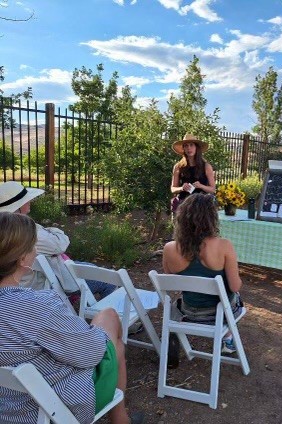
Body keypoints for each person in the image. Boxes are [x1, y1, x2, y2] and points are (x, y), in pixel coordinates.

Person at [0, 212, 143, 424]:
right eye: (33, 246)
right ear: (22, 259)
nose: (36, 250)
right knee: (109, 319)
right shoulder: (39, 305)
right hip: (48, 409)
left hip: (7, 405)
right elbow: (91, 354)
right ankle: (121, 419)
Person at [0, 181, 115, 298]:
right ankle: (112, 314)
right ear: (19, 206)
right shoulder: (24, 232)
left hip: (39, 278)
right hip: (45, 285)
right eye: (26, 199)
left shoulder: (5, 229)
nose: (30, 201)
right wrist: (52, 231)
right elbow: (60, 244)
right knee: (109, 280)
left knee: (89, 267)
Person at [162, 193, 243, 354]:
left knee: (179, 302)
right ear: (212, 218)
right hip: (218, 314)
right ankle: (227, 337)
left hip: (188, 312)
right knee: (236, 296)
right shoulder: (224, 246)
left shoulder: (170, 248)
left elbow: (170, 278)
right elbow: (234, 286)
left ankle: (172, 335)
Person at [170, 133, 216, 213]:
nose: (189, 148)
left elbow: (212, 189)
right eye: (186, 146)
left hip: (201, 207)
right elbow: (173, 188)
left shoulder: (206, 166)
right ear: (183, 148)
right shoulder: (178, 167)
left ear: (196, 148)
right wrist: (182, 188)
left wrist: (201, 186)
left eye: (191, 145)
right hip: (183, 206)